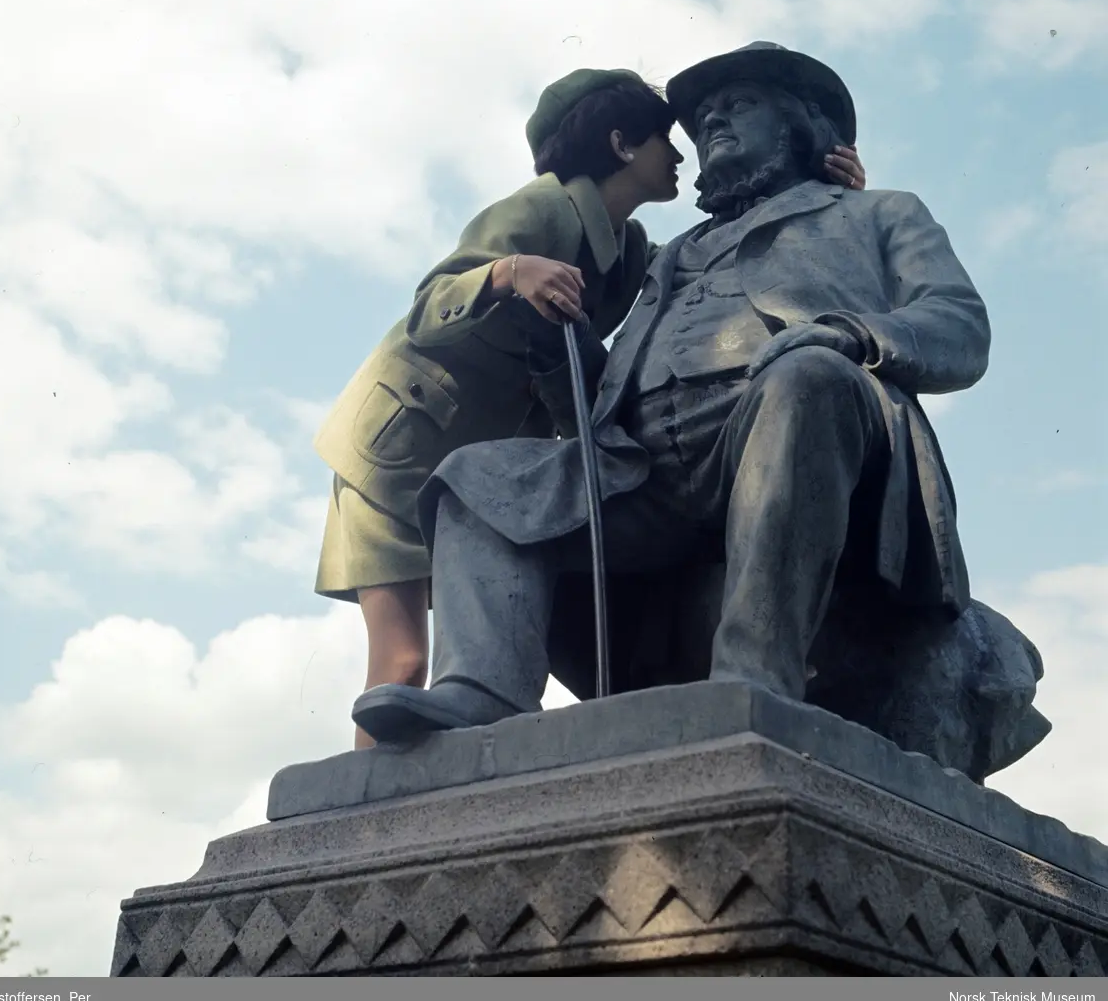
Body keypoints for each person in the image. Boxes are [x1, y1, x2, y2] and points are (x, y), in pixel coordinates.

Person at [350, 42, 994, 748]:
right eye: (704, 115)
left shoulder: (877, 214)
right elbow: (596, 401)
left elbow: (958, 325)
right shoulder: (673, 253)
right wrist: (545, 342)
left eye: (739, 105)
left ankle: (753, 680)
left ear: (801, 127)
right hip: (643, 470)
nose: (712, 122)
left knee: (804, 378)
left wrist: (846, 335)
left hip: (788, 422)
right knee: (479, 477)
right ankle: (481, 689)